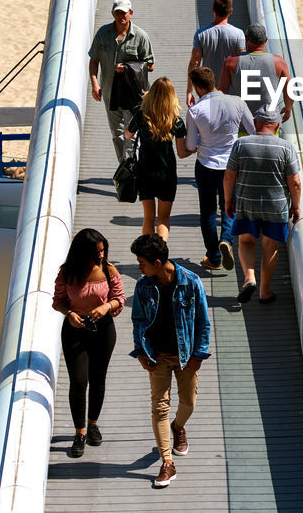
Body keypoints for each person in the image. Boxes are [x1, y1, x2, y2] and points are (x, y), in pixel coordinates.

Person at [128, 233, 210, 490]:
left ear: (157, 262)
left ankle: (178, 426)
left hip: (187, 357)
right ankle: (167, 462)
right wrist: (141, 352)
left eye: (142, 262)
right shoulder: (143, 286)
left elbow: (202, 323)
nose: (139, 267)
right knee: (159, 407)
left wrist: (198, 354)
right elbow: (138, 321)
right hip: (157, 357)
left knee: (189, 402)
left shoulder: (191, 282)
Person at [53, 228, 124, 459]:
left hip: (102, 330)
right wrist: (69, 313)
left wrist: (106, 307)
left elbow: (119, 298)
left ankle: (93, 423)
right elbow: (58, 301)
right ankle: (79, 432)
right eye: (97, 252)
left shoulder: (108, 270)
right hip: (75, 330)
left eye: (103, 250)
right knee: (79, 381)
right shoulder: (67, 273)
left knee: (98, 378)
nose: (101, 255)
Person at [224, 105, 301, 305]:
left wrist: (228, 200)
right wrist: (296, 206)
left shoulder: (241, 144)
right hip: (276, 206)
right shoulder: (286, 147)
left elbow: (229, 176)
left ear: (256, 123)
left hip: (247, 202)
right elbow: (295, 182)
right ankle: (265, 292)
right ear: (277, 125)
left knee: (246, 242)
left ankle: (249, 278)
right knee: (270, 247)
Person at [184, 65, 254, 270]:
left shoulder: (195, 111)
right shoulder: (237, 102)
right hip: (231, 165)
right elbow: (251, 131)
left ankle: (214, 258)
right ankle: (226, 240)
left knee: (207, 212)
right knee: (229, 207)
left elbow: (189, 145)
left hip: (206, 164)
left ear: (198, 88)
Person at [89, 0, 155, 163]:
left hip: (133, 96)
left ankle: (132, 169)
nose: (121, 16)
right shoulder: (103, 34)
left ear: (131, 13)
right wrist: (95, 84)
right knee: (117, 135)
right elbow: (94, 60)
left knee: (131, 134)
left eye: (124, 13)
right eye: (117, 13)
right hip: (110, 94)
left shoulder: (141, 36)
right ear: (113, 14)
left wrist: (126, 67)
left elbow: (151, 65)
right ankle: (125, 168)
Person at [124, 77, 188, 240]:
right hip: (167, 173)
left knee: (148, 217)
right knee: (164, 219)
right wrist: (194, 150)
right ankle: (160, 251)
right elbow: (181, 153)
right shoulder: (177, 122)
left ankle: (148, 254)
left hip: (145, 172)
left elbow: (127, 134)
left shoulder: (142, 116)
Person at [219, 23, 294, 121]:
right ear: (266, 40)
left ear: (246, 39)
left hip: (241, 124)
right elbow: (289, 92)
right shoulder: (279, 62)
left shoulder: (231, 61)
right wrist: (288, 109)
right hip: (269, 125)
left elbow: (222, 92)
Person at [189, 0, 246, 92]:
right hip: (231, 90)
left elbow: (195, 63)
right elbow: (242, 65)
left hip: (208, 88)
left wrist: (189, 91)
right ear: (231, 11)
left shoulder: (200, 34)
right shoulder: (238, 34)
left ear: (213, 10)